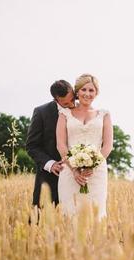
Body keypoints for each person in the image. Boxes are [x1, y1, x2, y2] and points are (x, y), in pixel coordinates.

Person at [56, 74, 113, 219]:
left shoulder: (104, 115)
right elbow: (61, 144)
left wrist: (91, 166)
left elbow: (107, 146)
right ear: (77, 92)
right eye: (83, 90)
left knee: (95, 216)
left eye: (91, 90)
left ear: (96, 93)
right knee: (70, 214)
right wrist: (74, 170)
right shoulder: (64, 114)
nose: (87, 94)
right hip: (70, 172)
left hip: (96, 173)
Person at [26, 80, 76, 210]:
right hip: (49, 179)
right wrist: (50, 164)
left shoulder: (83, 110)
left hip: (78, 178)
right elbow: (32, 146)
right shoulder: (41, 112)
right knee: (41, 221)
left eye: (73, 99)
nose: (71, 104)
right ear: (56, 99)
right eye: (66, 103)